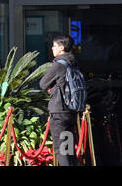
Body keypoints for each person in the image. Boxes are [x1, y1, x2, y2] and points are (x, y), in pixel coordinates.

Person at [39, 34, 78, 166]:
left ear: (61, 48)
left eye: (54, 45)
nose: (52, 48)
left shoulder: (58, 65)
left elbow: (43, 83)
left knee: (61, 149)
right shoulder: (73, 63)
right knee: (69, 148)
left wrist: (52, 88)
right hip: (71, 111)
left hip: (59, 111)